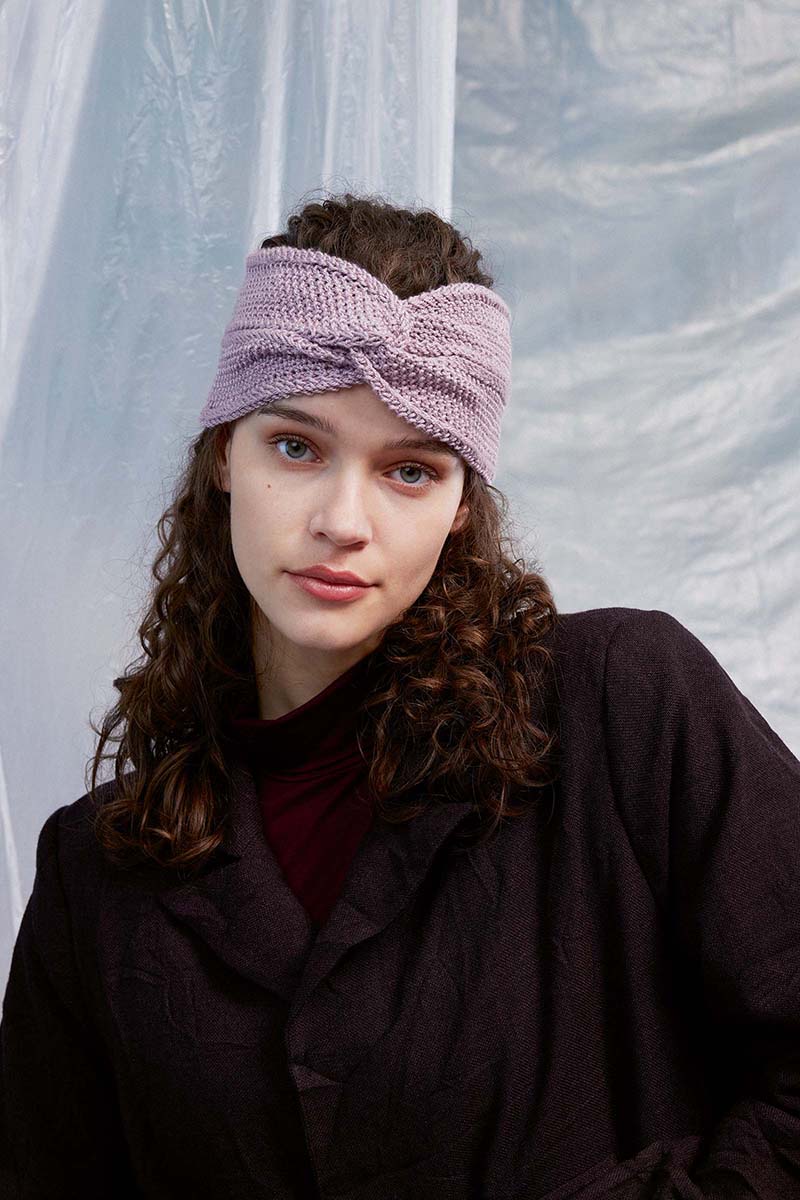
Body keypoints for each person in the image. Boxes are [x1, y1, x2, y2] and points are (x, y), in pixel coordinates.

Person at [1, 192, 799, 1200]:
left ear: (462, 506)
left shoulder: (624, 703)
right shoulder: (98, 868)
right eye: (297, 447)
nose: (344, 520)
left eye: (409, 471)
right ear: (223, 454)